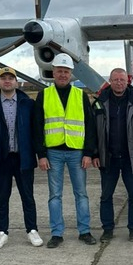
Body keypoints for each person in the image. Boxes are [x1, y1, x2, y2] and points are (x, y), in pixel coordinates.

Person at [33, 54, 97, 248]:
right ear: (53, 73)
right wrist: (41, 155)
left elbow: (90, 125)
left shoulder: (80, 95)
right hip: (53, 153)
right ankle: (56, 233)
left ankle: (84, 231)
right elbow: (37, 126)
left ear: (71, 74)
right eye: (59, 71)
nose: (62, 74)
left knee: (81, 194)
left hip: (77, 152)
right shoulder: (44, 95)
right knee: (55, 195)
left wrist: (88, 153)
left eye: (66, 71)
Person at [0, 67, 43, 250]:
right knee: (2, 197)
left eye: (10, 78)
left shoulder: (27, 103)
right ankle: (2, 232)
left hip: (23, 158)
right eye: (3, 78)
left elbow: (35, 130)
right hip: (2, 159)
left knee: (27, 196)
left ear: (16, 82)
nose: (7, 81)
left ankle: (32, 229)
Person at [92, 68, 133, 242]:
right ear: (110, 81)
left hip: (130, 158)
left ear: (127, 81)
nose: (119, 83)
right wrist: (95, 153)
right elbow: (92, 131)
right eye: (115, 80)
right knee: (106, 196)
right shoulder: (99, 103)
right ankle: (107, 229)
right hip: (108, 157)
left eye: (122, 80)